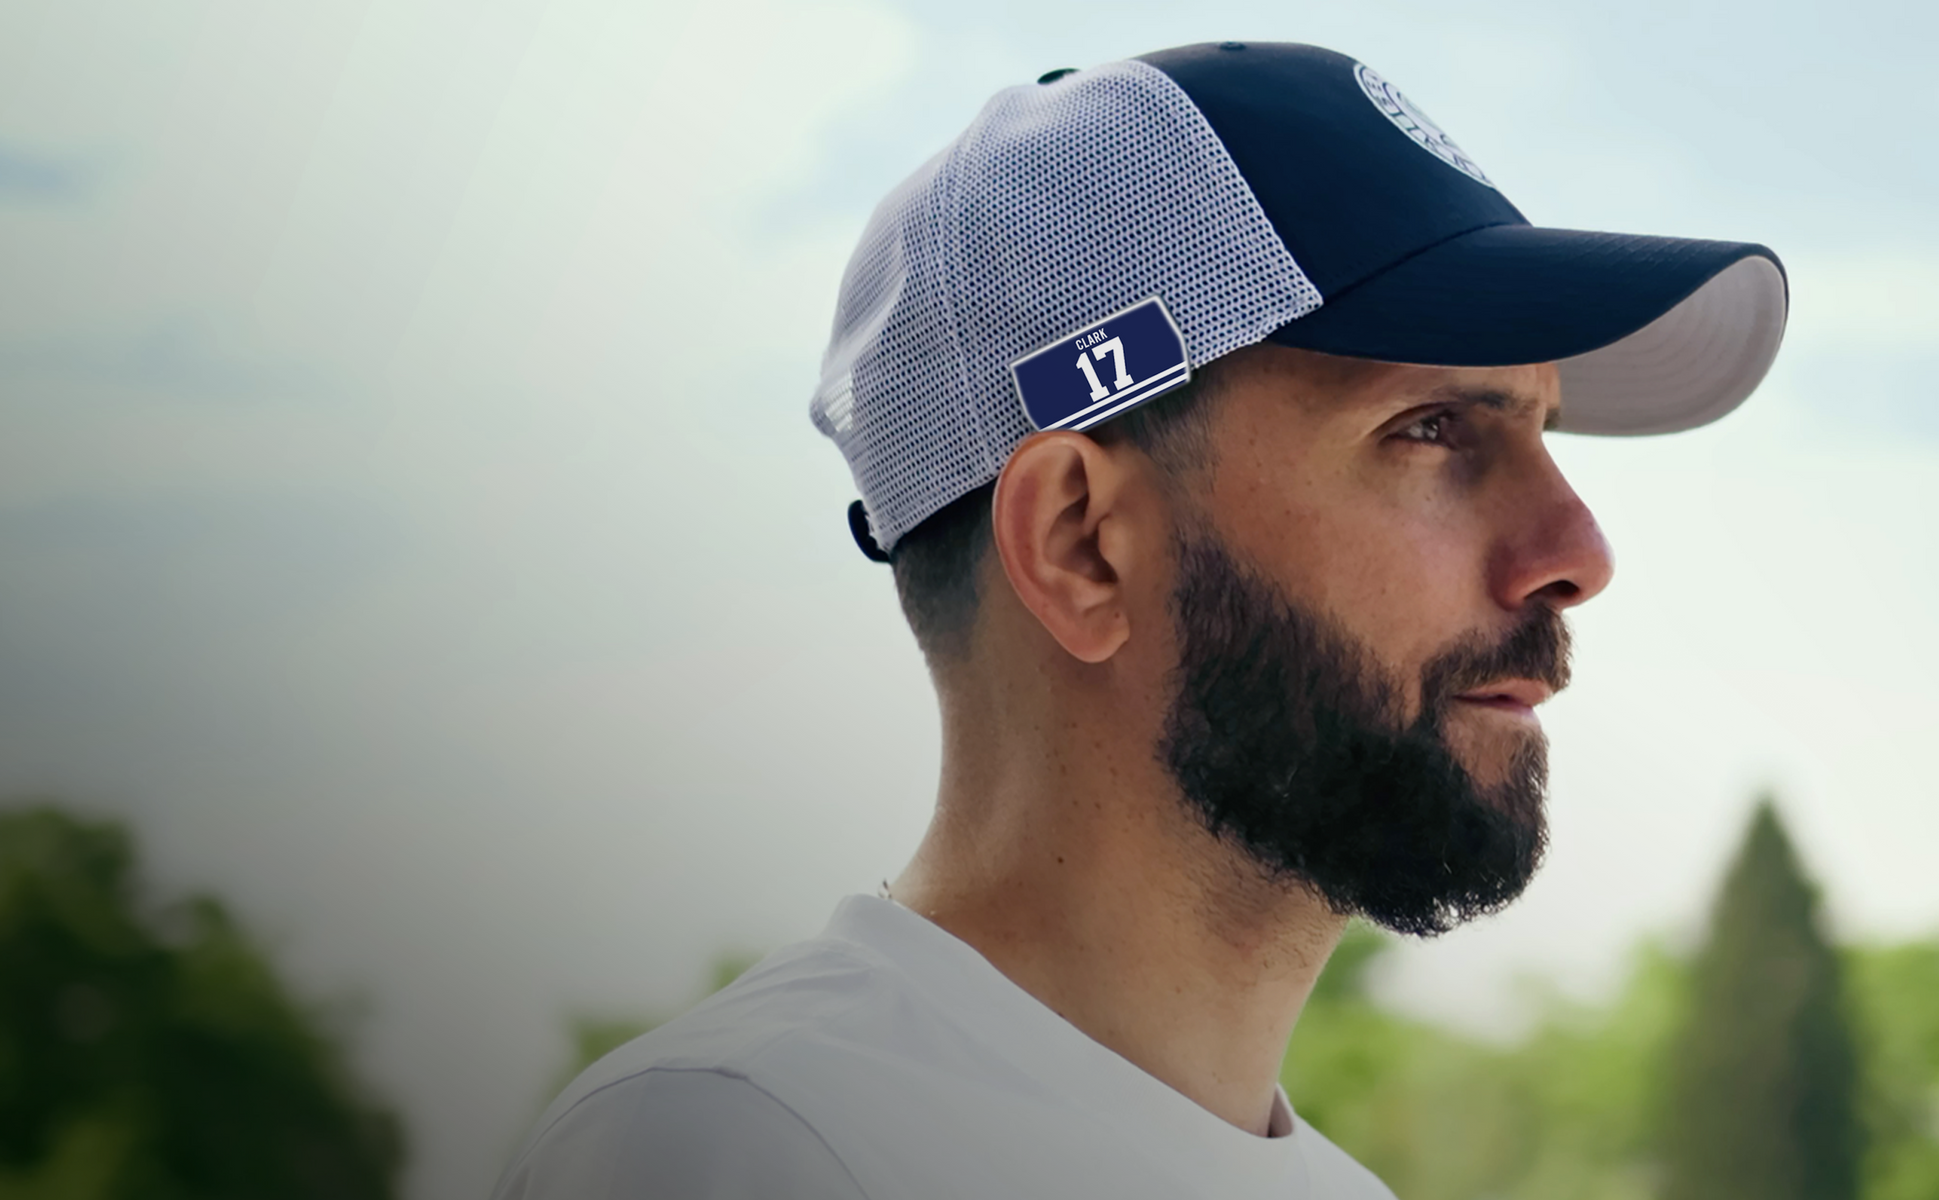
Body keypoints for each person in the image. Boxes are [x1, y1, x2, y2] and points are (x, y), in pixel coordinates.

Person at [493, 41, 1787, 1199]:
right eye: (1430, 429)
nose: (1577, 554)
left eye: (1541, 430)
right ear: (1081, 547)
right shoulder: (747, 1152)